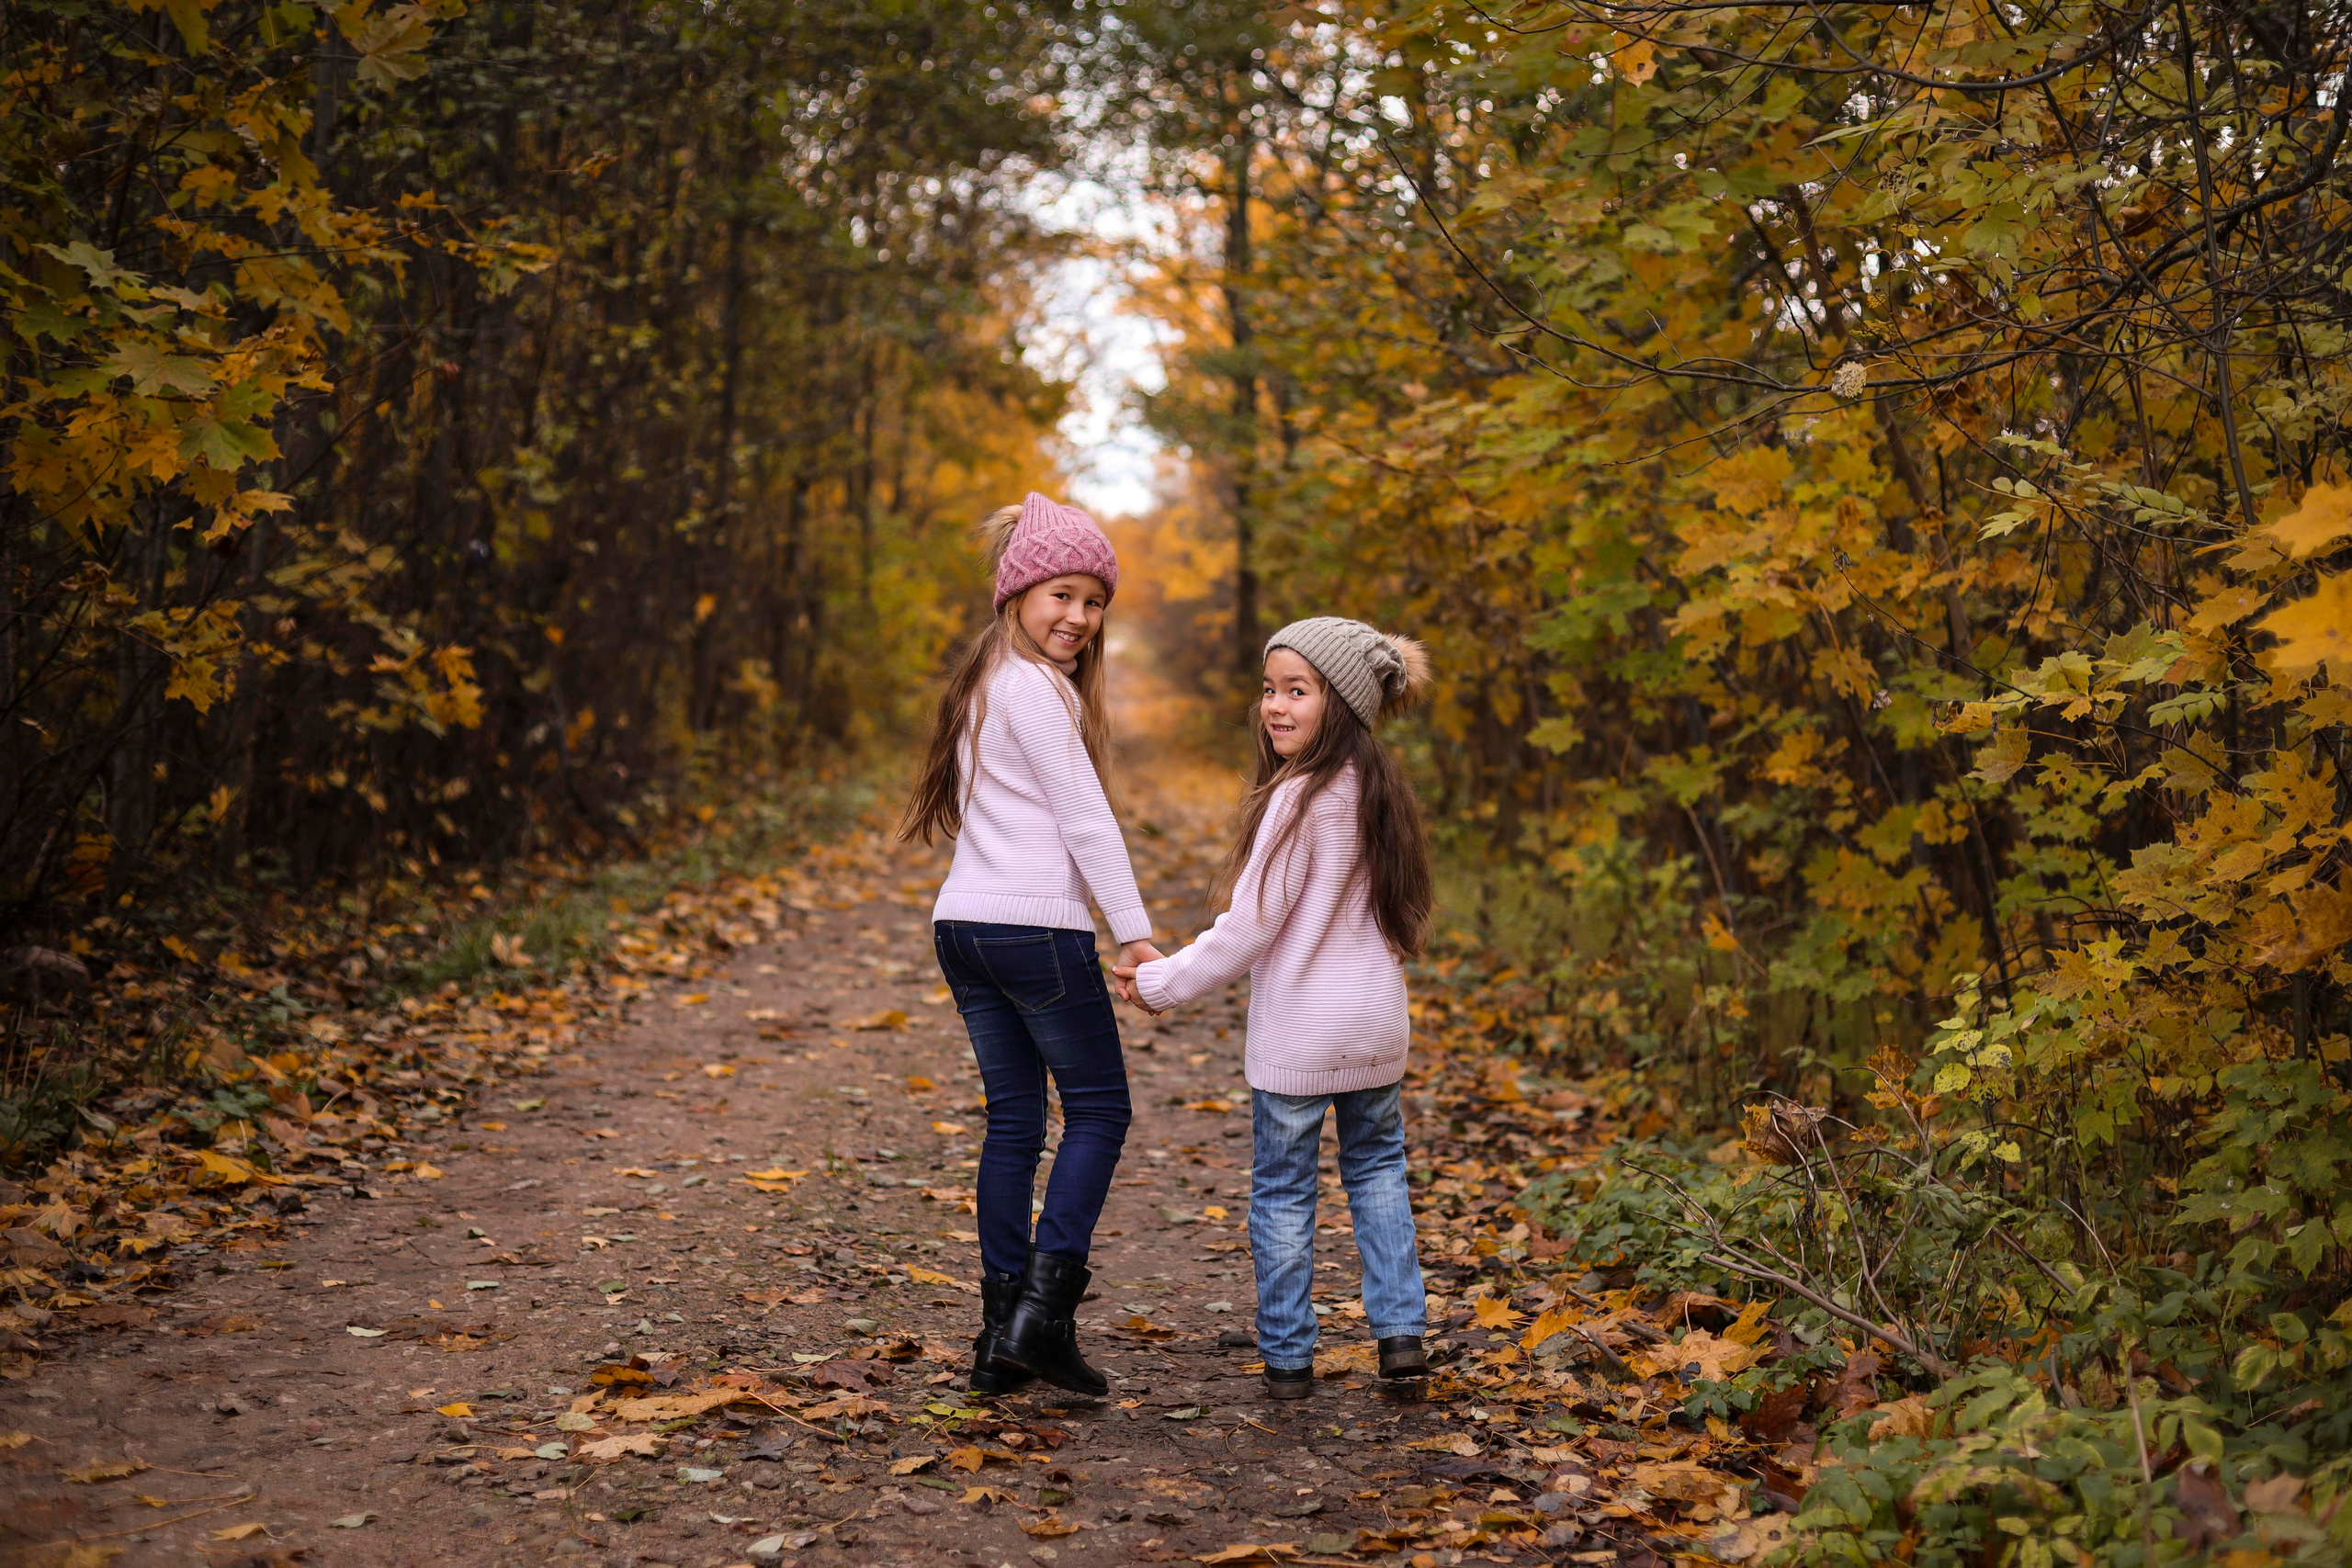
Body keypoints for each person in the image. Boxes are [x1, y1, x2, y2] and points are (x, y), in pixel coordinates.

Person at [1114, 617, 1435, 1399]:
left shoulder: (1301, 797)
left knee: (1286, 1189)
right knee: (1379, 1172)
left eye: (1298, 691)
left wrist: (1165, 982)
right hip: (1376, 1026)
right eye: (1269, 689)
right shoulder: (1380, 790)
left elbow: (1251, 927)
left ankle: (1290, 1357)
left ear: (1344, 703)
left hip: (1302, 1033)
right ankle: (1401, 1337)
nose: (1275, 706)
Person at [900, 492, 1162, 1399]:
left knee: (1015, 1122)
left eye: (1094, 602)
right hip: (1030, 928)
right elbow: (1086, 823)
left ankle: (998, 1333)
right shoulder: (1033, 688)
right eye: (1063, 595)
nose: (1079, 618)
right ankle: (1041, 1322)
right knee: (1099, 1111)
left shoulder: (982, 681)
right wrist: (1135, 936)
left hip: (964, 926)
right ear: (1017, 591)